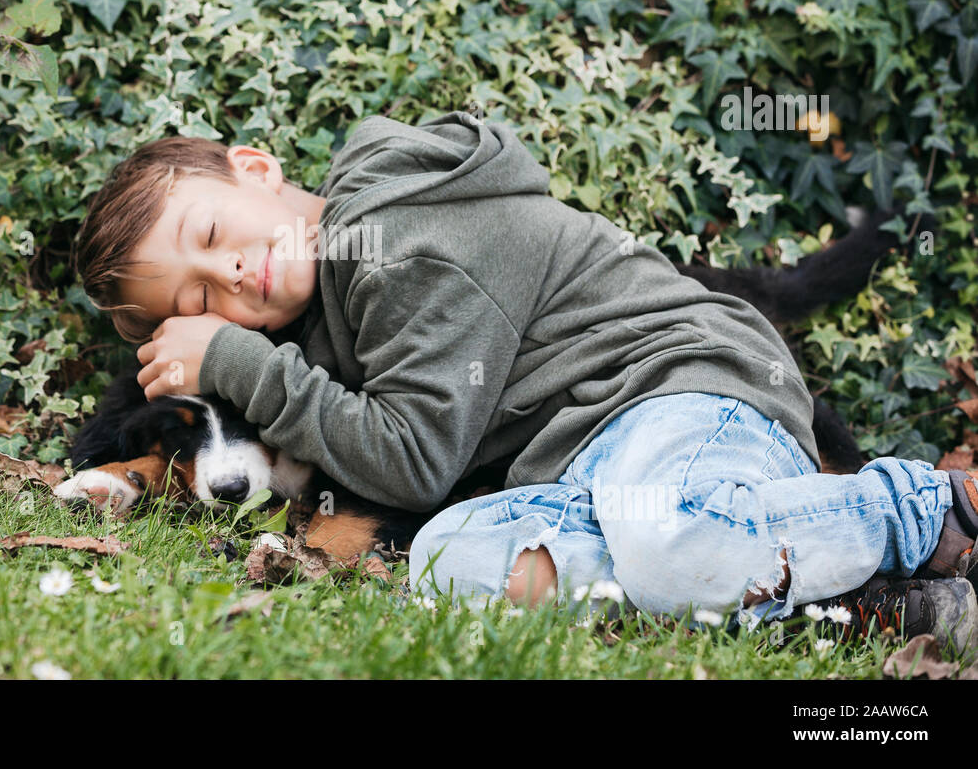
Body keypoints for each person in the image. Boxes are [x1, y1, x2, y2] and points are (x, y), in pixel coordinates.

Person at [73, 111, 978, 659]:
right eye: (199, 300)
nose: (228, 274)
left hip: (678, 386)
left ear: (259, 172)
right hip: (583, 470)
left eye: (211, 233)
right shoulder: (322, 317)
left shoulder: (396, 233)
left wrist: (228, 357)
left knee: (663, 540)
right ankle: (861, 599)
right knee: (449, 563)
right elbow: (412, 489)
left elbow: (414, 460)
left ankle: (933, 509)